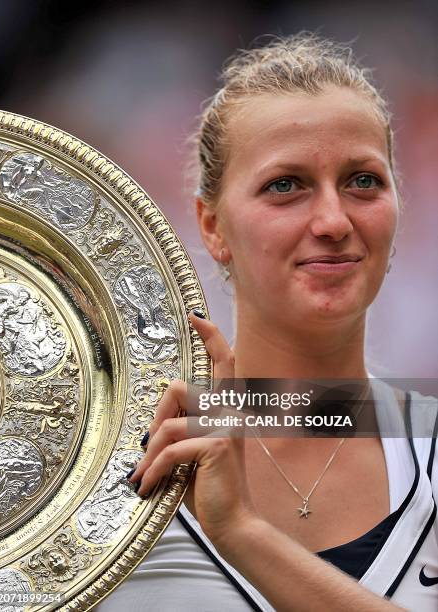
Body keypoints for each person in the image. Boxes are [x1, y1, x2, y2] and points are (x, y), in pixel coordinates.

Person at [97, 33, 438, 611]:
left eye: (363, 181)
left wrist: (242, 533)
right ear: (211, 226)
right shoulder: (99, 473)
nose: (333, 220)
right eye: (286, 185)